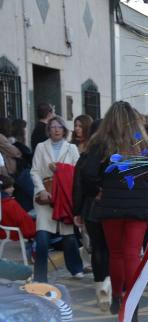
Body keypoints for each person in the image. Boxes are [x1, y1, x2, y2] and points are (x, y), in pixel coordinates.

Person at [83, 102, 148, 322]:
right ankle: (132, 308)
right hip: (138, 205)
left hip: (110, 206)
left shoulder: (100, 143)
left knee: (115, 254)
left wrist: (98, 189)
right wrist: (143, 186)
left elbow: (86, 173)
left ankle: (117, 297)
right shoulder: (143, 142)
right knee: (133, 254)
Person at [30, 115, 84, 282]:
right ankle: (40, 275)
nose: (56, 129)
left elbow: (77, 172)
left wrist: (60, 169)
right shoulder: (41, 147)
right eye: (53, 126)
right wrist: (40, 190)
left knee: (68, 237)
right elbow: (34, 171)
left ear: (64, 130)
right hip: (45, 196)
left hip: (64, 197)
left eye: (59, 126)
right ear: (49, 130)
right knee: (43, 238)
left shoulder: (71, 148)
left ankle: (76, 268)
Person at [72, 118, 111, 311]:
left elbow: (77, 184)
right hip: (108, 207)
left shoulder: (86, 155)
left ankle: (100, 289)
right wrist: (100, 189)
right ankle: (109, 286)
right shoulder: (111, 153)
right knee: (111, 248)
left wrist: (77, 210)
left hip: (89, 208)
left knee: (98, 248)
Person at [0, 175, 36, 241]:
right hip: (14, 235)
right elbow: (23, 220)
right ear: (3, 188)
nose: (13, 188)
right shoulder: (10, 203)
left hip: (3, 234)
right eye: (10, 187)